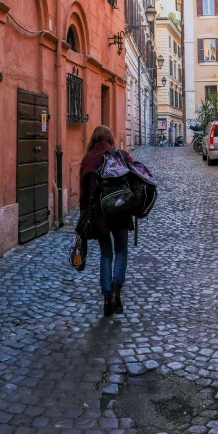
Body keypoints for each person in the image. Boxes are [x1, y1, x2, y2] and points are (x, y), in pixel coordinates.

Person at [79, 125, 134, 317]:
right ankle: (116, 290)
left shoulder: (88, 160)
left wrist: (83, 218)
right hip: (120, 211)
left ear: (93, 140)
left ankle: (106, 296)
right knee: (121, 250)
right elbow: (135, 178)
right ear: (110, 138)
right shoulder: (121, 155)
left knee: (106, 254)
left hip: (99, 215)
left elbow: (84, 194)